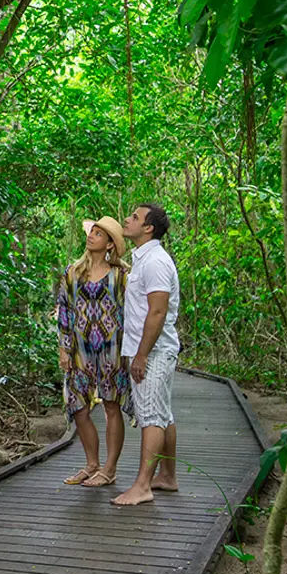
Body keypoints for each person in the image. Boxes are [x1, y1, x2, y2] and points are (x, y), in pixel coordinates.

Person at [112, 202, 181, 507]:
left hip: (152, 352)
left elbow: (157, 311)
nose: (127, 220)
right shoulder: (144, 259)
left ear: (148, 228)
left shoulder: (155, 261)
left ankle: (142, 486)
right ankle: (167, 475)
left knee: (151, 416)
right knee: (163, 413)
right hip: (152, 350)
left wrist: (140, 356)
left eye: (135, 217)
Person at [56, 216, 133, 488]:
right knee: (78, 406)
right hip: (80, 350)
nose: (92, 236)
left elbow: (133, 313)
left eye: (99, 234)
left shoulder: (122, 275)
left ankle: (109, 469)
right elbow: (63, 311)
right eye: (92, 232)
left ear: (110, 244)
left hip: (113, 349)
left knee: (112, 406)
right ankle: (92, 464)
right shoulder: (72, 272)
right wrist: (63, 349)